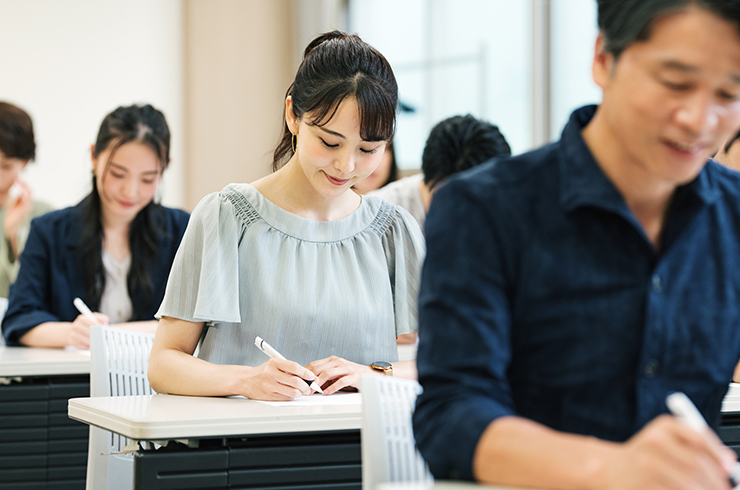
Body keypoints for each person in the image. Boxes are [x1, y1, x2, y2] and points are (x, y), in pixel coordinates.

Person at [413, 1, 740, 489]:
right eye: (675, 83)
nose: (699, 119)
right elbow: (451, 413)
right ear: (603, 59)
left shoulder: (732, 218)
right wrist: (609, 469)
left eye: (729, 93)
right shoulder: (483, 209)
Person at [148, 31, 424, 402]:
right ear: (293, 115)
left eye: (368, 149)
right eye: (330, 142)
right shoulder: (227, 217)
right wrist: (244, 380)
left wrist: (374, 374)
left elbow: (453, 361)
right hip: (246, 447)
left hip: (363, 450)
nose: (347, 165)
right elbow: (163, 364)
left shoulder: (393, 230)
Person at [1, 104, 189, 349]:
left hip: (159, 383)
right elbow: (19, 318)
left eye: (148, 179)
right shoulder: (49, 230)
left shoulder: (182, 230)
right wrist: (70, 333)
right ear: (94, 157)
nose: (130, 191)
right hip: (74, 383)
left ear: (164, 167)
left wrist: (110, 333)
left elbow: (200, 322)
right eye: (118, 174)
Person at [369, 114, 511, 232]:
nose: (462, 215)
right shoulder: (375, 219)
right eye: (451, 201)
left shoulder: (504, 209)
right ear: (427, 178)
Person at [0, 102, 53, 297]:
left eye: (6, 166)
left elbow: (33, 296)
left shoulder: (44, 216)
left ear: (25, 162)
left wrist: (14, 237)